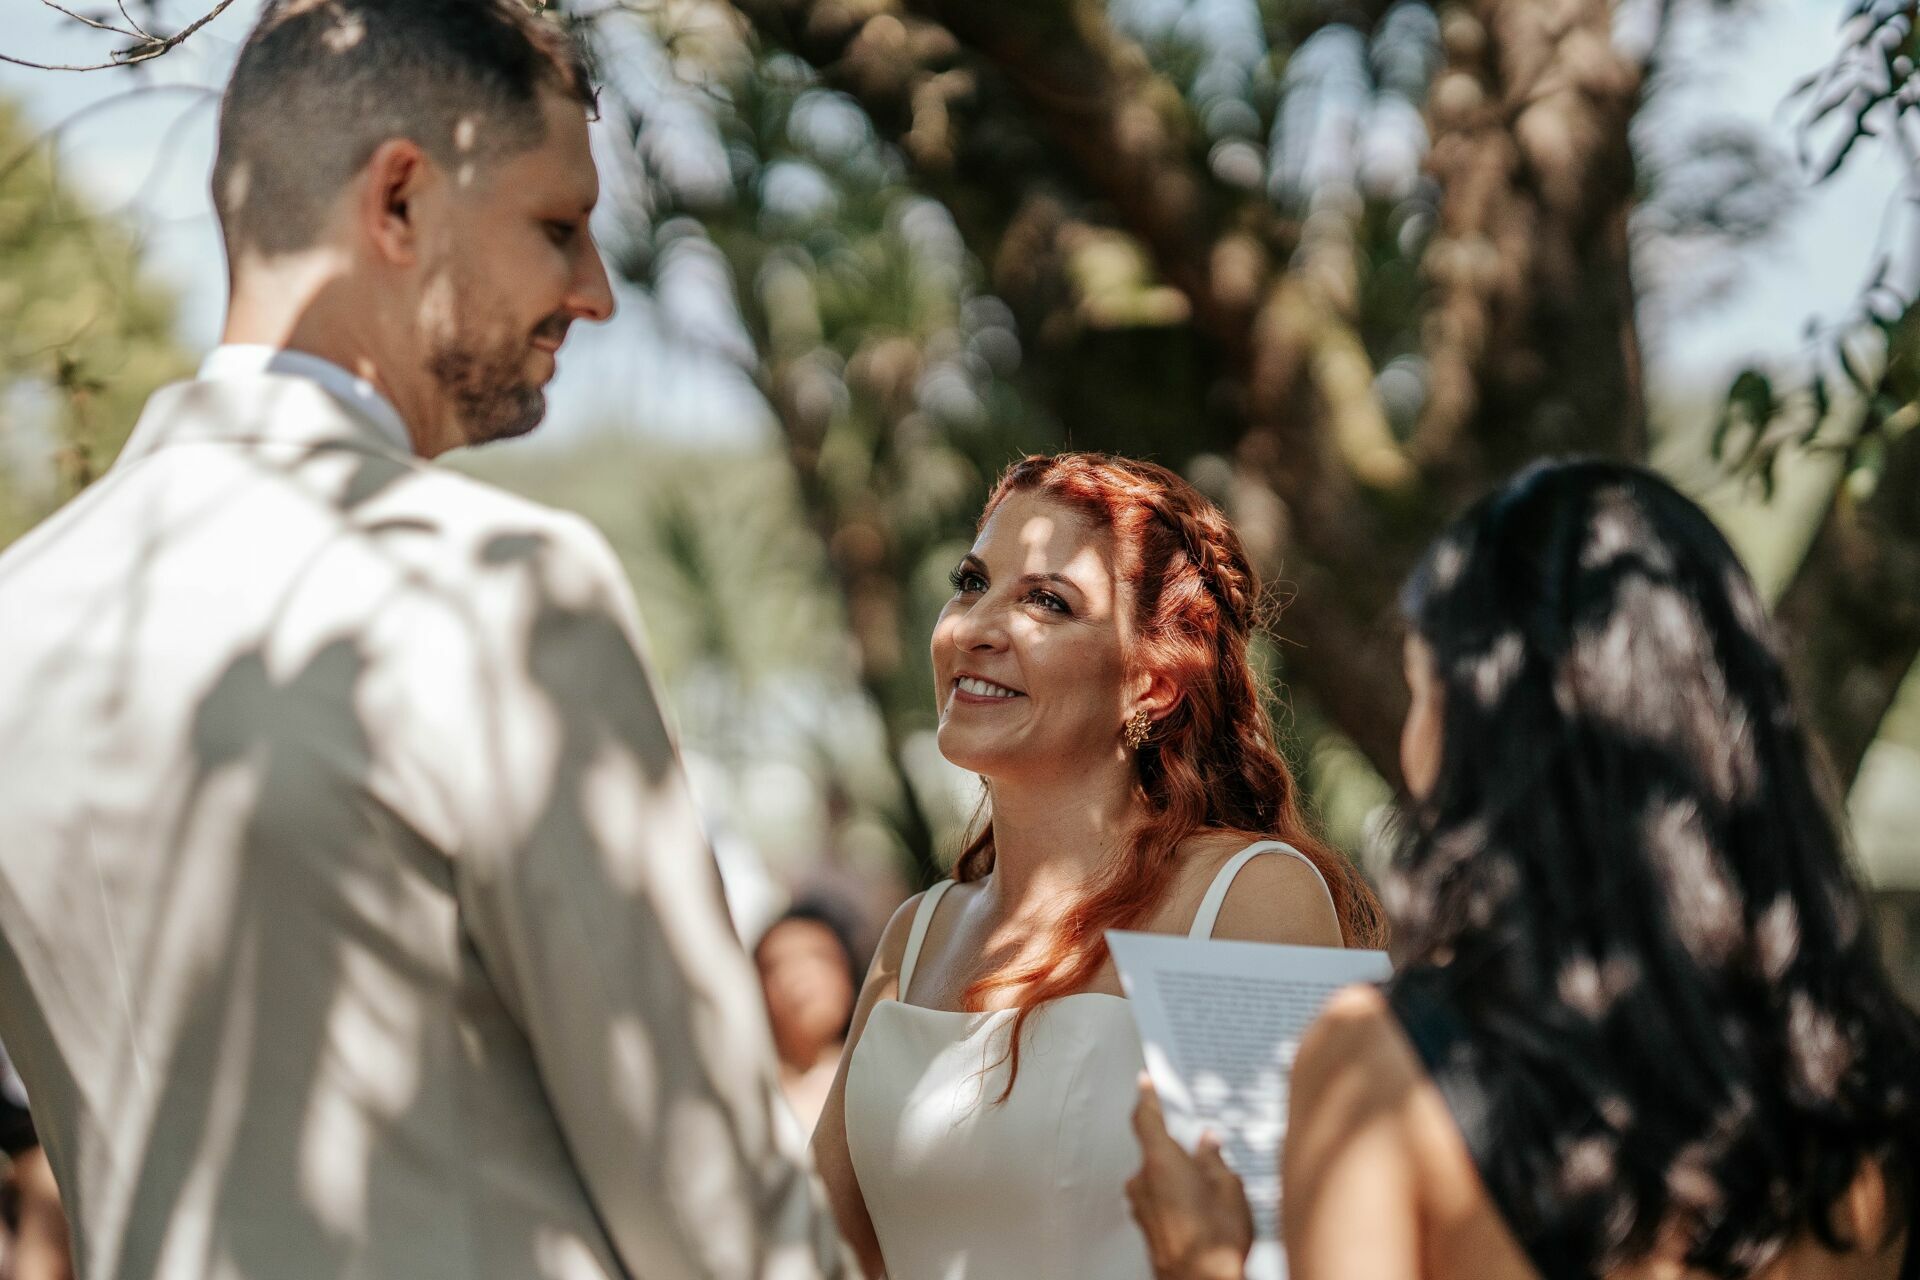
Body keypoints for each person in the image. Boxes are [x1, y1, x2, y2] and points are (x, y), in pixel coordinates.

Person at [0, 3, 851, 1277]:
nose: (595, 292)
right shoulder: (501, 591)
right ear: (398, 200)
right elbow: (718, 1208)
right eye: (557, 225)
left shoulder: (20, 615)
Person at [1127, 460, 1919, 1280]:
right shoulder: (1865, 1084)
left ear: (1484, 740)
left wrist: (1205, 1264)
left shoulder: (1382, 1069)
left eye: (1421, 692)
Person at [810, 452, 1388, 1279]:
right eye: (971, 583)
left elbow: (1328, 1254)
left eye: (1047, 601)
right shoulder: (916, 934)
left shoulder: (1246, 899)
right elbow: (817, 1250)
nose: (975, 628)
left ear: (1154, 684)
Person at [755, 902, 864, 1133]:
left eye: (819, 957)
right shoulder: (748, 1095)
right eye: (776, 966)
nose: (800, 977)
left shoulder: (883, 1075)